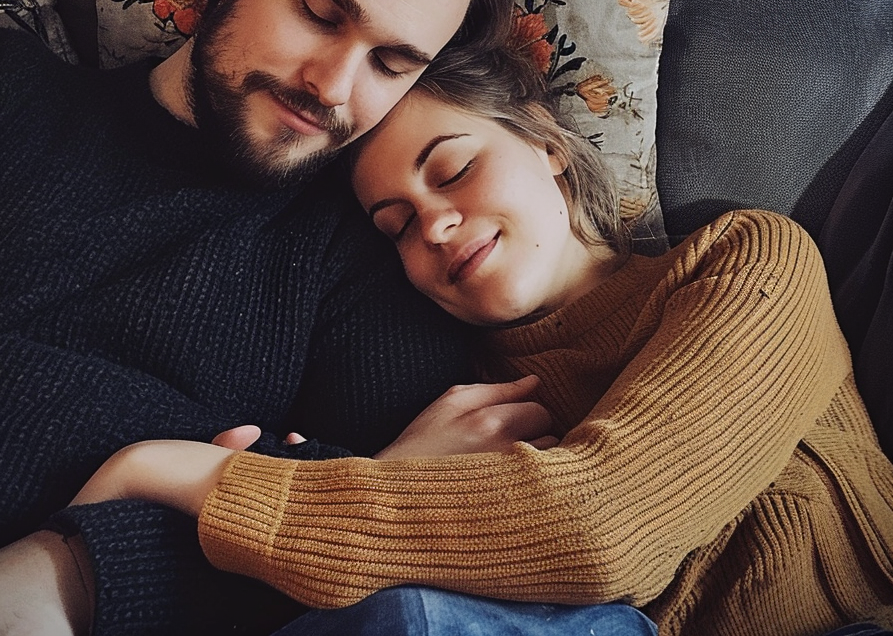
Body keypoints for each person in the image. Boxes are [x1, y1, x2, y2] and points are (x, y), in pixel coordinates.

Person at [0, 0, 525, 636]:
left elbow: (370, 544)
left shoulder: (374, 250)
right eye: (320, 13)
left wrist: (76, 570)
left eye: (392, 64)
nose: (332, 87)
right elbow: (312, 509)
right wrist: (193, 477)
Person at [68, 45, 893, 636]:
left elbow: (601, 530)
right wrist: (392, 472)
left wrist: (176, 471)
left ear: (544, 143)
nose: (434, 223)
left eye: (452, 169)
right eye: (395, 225)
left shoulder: (744, 257)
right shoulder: (452, 396)